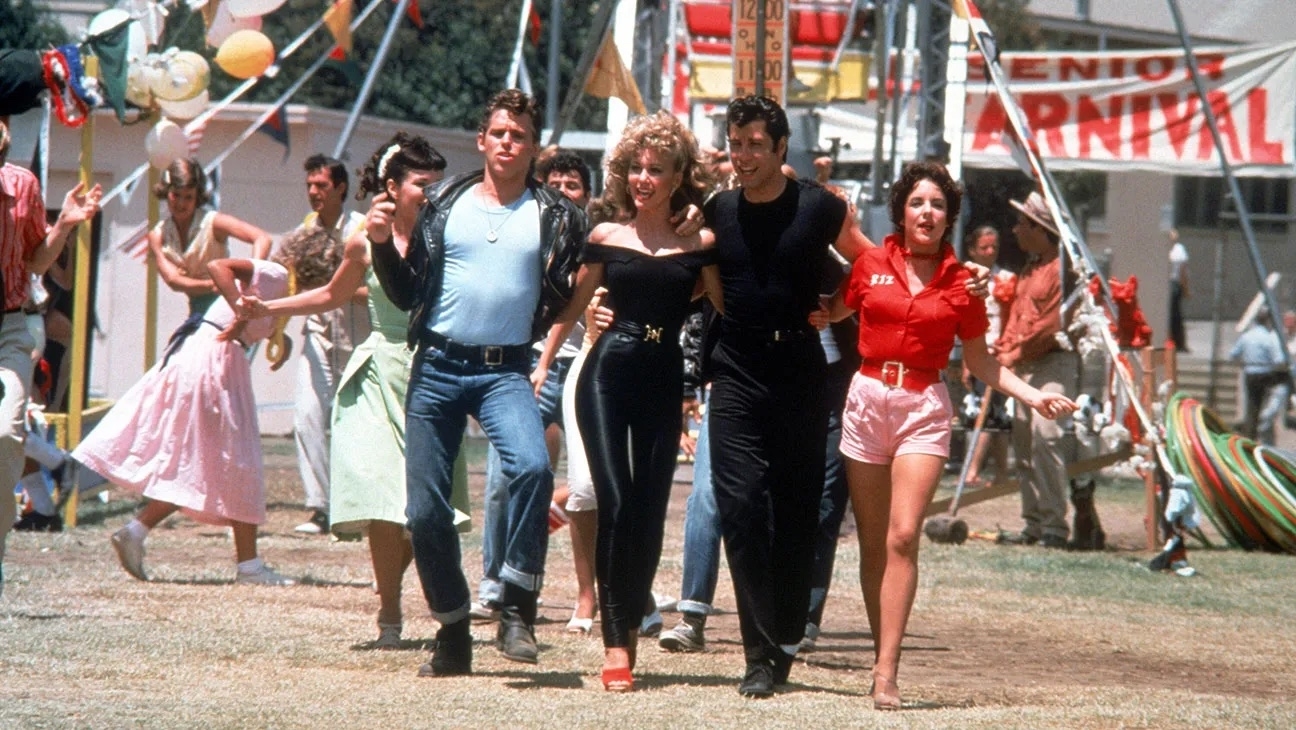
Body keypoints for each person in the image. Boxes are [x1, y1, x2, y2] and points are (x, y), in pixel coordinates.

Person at [822, 161, 1076, 710]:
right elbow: (834, 308)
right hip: (865, 400)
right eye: (917, 203)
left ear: (949, 218)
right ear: (901, 212)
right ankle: (879, 650)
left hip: (923, 406)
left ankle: (887, 672)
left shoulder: (963, 285)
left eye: (938, 205)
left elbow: (983, 362)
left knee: (903, 536)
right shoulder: (869, 265)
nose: (927, 213)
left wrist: (1034, 397)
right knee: (871, 543)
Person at [370, 89, 586, 676]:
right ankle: (453, 629)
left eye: (519, 134)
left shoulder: (557, 213)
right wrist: (379, 243)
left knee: (534, 467)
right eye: (499, 133)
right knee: (425, 512)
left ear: (533, 145)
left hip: (504, 369)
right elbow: (408, 290)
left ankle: (516, 600)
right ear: (482, 140)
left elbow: (571, 283)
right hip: (437, 366)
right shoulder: (444, 201)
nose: (508, 142)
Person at [237, 134, 469, 646]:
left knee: (423, 513)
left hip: (431, 373)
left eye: (437, 185)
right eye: (421, 185)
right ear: (392, 186)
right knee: (381, 496)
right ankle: (390, 614)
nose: (431, 195)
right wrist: (266, 309)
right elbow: (330, 293)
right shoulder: (363, 238)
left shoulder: (451, 235)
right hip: (376, 372)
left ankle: (402, 581)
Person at [536, 111, 722, 692]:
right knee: (614, 502)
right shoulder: (604, 237)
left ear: (677, 177)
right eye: (636, 169)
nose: (644, 178)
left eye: (657, 170)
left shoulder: (701, 242)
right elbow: (570, 307)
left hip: (664, 380)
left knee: (647, 510)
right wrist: (540, 365)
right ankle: (616, 646)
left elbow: (725, 310)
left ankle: (632, 628)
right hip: (605, 375)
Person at [74, 233, 332, 585]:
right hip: (211, 360)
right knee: (239, 461)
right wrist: (239, 303)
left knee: (208, 462)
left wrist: (278, 337)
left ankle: (136, 531)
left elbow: (259, 318)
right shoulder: (271, 272)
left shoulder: (285, 296)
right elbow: (218, 266)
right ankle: (249, 567)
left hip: (223, 362)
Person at [473, 148, 592, 625]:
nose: (563, 192)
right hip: (527, 369)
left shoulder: (598, 238)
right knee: (508, 476)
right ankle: (495, 580)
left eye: (573, 185)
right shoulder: (523, 234)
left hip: (584, 369)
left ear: (588, 194)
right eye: (555, 184)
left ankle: (614, 589)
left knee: (594, 483)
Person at [0, 119, 102, 596]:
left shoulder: (23, 185)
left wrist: (63, 224)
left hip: (13, 325)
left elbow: (37, 262)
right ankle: (59, 466)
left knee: (6, 431)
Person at [996, 191, 1081, 549]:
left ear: (1040, 229)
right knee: (1024, 442)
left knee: (1047, 436)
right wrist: (1002, 349)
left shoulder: (1064, 270)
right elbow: (1017, 317)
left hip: (1052, 361)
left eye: (1022, 224)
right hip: (1021, 364)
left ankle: (1055, 528)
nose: (1015, 230)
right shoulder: (1029, 268)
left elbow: (1049, 326)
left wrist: (1013, 354)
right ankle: (1033, 524)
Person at [291, 154, 370, 535]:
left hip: (358, 340)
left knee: (351, 426)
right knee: (306, 414)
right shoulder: (305, 230)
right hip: (317, 335)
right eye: (309, 186)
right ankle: (319, 507)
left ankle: (352, 509)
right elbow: (288, 278)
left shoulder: (363, 229)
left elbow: (378, 290)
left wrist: (338, 290)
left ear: (340, 188)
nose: (313, 192)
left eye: (321, 185)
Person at [147, 157, 272, 315]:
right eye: (176, 195)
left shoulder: (213, 222)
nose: (181, 203)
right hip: (198, 309)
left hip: (228, 305)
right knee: (182, 340)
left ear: (197, 196)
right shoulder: (159, 235)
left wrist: (251, 280)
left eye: (188, 197)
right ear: (166, 192)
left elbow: (262, 238)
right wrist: (213, 284)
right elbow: (173, 280)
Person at [961, 225, 1013, 487]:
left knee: (997, 411)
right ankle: (977, 470)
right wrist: (966, 362)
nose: (990, 251)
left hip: (1001, 353)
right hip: (977, 350)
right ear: (973, 250)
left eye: (994, 247)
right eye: (984, 247)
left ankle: (993, 472)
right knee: (982, 408)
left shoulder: (1007, 278)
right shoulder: (965, 277)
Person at [1229, 308, 1288, 445]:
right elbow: (1278, 359)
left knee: (1252, 404)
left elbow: (1233, 354)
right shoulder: (1269, 338)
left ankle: (1250, 433)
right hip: (1264, 373)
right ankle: (1263, 424)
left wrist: (1244, 361)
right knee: (1273, 393)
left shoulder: (1246, 336)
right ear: (1267, 321)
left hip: (1250, 373)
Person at [1167, 227, 1189, 352]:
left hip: (1173, 283)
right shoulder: (1179, 250)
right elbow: (1183, 272)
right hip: (1174, 284)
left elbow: (1182, 272)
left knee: (1173, 314)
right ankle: (1177, 342)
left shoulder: (1176, 250)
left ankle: (1175, 341)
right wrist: (1185, 288)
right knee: (1175, 314)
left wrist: (1185, 287)